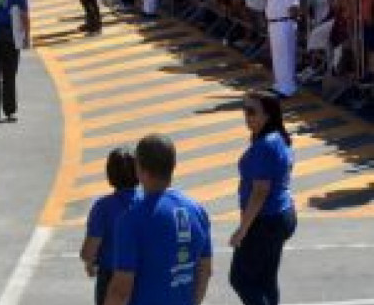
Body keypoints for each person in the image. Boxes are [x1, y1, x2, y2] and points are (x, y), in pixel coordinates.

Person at [104, 134, 213, 305]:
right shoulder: (197, 211)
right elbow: (205, 269)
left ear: (139, 169)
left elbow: (121, 290)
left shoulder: (131, 220)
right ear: (173, 165)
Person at [229, 90, 296, 305]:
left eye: (251, 111)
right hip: (281, 215)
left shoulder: (265, 145)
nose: (246, 116)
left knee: (241, 279)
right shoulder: (277, 138)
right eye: (244, 110)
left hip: (265, 221)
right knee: (266, 279)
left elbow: (260, 192)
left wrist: (243, 229)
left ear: (267, 115)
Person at [80, 148, 141, 305]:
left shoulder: (103, 207)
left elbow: (89, 251)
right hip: (144, 276)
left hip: (111, 277)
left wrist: (89, 263)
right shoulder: (148, 202)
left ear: (110, 174)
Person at [264, 0, 300, 98]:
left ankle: (288, 87)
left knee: (285, 57)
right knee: (277, 56)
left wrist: (290, 23)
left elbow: (294, 7)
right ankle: (280, 84)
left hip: (283, 23)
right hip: (275, 23)